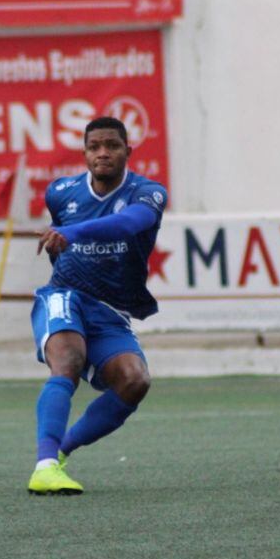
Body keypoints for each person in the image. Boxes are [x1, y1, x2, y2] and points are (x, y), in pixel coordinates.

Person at [27, 116, 168, 495]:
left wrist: (68, 234)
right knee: (68, 359)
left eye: (111, 146)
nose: (102, 153)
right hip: (63, 295)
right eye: (94, 147)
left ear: (128, 151)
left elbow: (126, 224)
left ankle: (59, 453)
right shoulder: (60, 192)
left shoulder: (148, 192)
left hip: (109, 310)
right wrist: (62, 241)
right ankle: (43, 466)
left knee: (134, 380)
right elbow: (60, 243)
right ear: (85, 153)